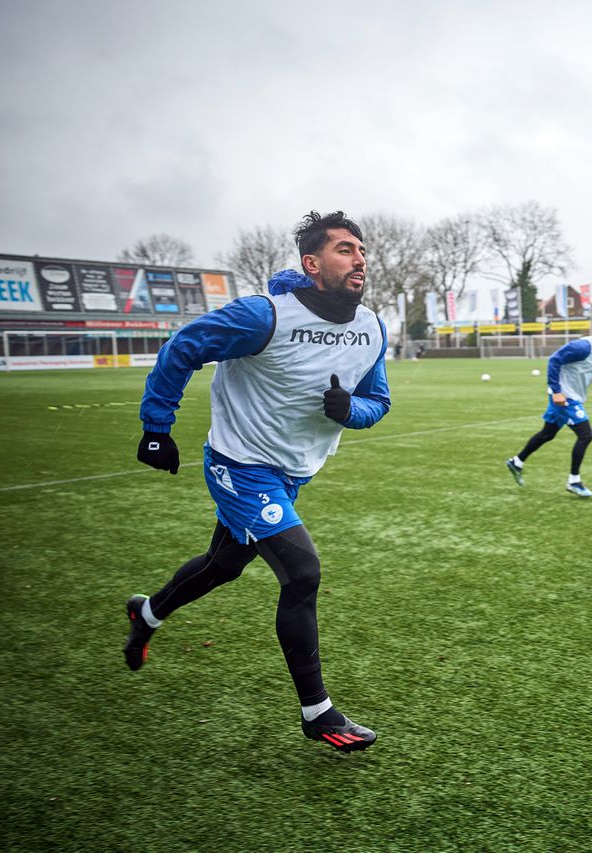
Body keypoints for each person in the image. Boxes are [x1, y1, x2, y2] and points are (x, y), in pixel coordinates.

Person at [125, 211, 390, 753]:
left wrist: (350, 410)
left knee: (222, 566)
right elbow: (184, 346)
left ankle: (146, 612)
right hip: (239, 466)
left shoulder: (373, 328)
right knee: (302, 572)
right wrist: (157, 428)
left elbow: (378, 402)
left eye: (362, 250)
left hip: (292, 474)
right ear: (312, 263)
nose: (359, 258)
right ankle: (318, 713)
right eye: (345, 249)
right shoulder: (263, 316)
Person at [506, 316, 592, 497]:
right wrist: (556, 391)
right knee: (585, 435)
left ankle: (517, 462)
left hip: (572, 396)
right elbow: (554, 360)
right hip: (564, 397)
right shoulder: (583, 346)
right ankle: (574, 481)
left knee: (548, 433)